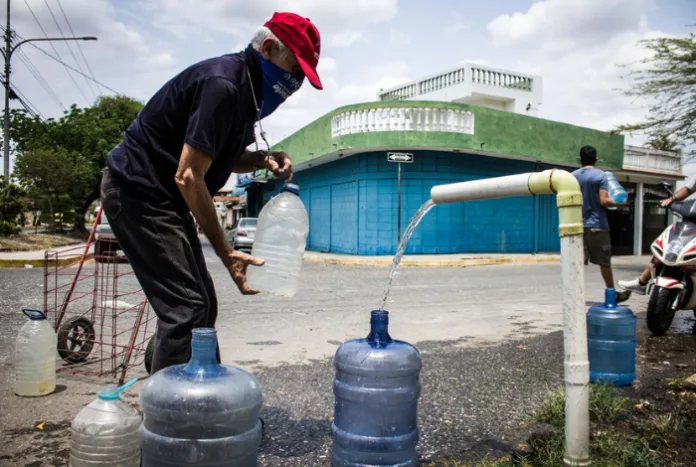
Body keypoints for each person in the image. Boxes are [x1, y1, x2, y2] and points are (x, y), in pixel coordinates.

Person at [100, 12, 323, 373]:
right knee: (187, 307)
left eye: (302, 77)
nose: (295, 82)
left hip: (164, 199)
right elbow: (189, 176)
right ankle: (172, 418)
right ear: (267, 48)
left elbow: (226, 156)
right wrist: (227, 251)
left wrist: (264, 158)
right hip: (138, 191)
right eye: (293, 69)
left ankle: (198, 388)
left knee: (202, 305)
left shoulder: (246, 95)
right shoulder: (223, 85)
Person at [572, 145, 631, 303]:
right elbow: (604, 200)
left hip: (577, 225)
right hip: (597, 224)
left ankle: (574, 295)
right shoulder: (601, 176)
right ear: (596, 159)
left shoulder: (572, 177)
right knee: (604, 262)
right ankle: (612, 296)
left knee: (577, 262)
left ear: (580, 159)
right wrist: (620, 204)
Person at [619, 178, 696, 295]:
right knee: (669, 247)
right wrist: (671, 199)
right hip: (691, 221)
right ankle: (641, 282)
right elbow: (688, 190)